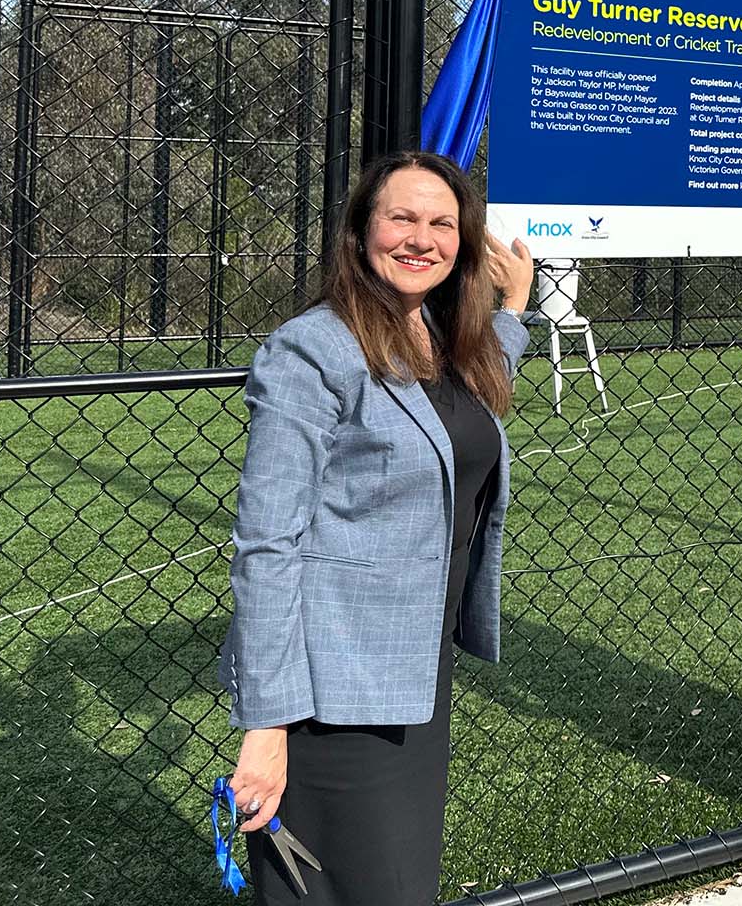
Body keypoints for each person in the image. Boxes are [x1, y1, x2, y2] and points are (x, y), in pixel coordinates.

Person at [217, 150, 534, 905]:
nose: (420, 238)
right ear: (360, 234)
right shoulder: (312, 351)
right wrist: (267, 726)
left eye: (442, 223)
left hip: (414, 678)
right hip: (333, 696)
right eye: (401, 218)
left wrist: (514, 308)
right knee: (357, 886)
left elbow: (469, 407)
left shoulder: (442, 337)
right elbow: (267, 543)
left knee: (398, 878)